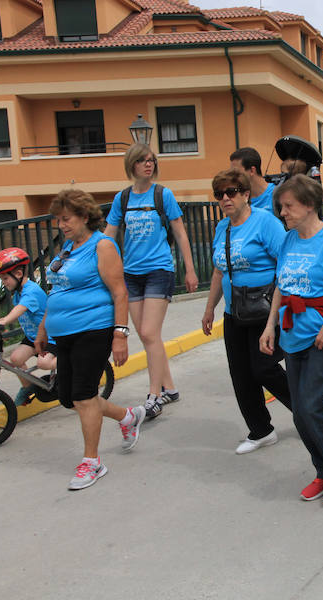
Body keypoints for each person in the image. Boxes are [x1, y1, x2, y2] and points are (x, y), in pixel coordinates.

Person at [260, 174, 323, 505]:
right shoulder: (289, 239)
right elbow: (281, 286)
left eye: (287, 206)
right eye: (280, 206)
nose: (282, 212)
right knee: (299, 412)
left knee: (312, 404)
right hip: (291, 336)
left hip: (320, 336)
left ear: (309, 205)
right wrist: (270, 326)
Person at [35, 189, 144, 490]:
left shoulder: (102, 246)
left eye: (66, 219)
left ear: (85, 217)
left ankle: (92, 462)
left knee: (83, 395)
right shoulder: (67, 249)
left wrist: (120, 335)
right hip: (63, 332)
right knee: (68, 397)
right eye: (58, 220)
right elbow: (56, 289)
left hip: (93, 329)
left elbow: (120, 292)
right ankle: (127, 416)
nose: (61, 225)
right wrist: (43, 329)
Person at [104, 144, 198, 420]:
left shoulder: (163, 195)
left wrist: (190, 270)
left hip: (159, 269)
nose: (148, 164)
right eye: (143, 160)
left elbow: (180, 234)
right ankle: (169, 388)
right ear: (131, 165)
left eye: (152, 160)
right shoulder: (122, 199)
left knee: (147, 332)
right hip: (131, 274)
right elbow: (108, 237)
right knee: (149, 336)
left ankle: (154, 395)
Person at [201, 169, 291, 455]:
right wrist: (209, 309)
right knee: (240, 373)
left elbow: (286, 263)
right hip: (234, 312)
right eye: (220, 194)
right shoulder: (222, 228)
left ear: (245, 194)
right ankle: (261, 430)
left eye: (231, 192)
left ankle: (307, 406)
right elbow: (218, 270)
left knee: (263, 368)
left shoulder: (265, 223)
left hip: (265, 309)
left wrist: (282, 309)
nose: (225, 198)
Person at [0, 247, 57, 405]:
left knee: (43, 363)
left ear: (18, 274)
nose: (4, 283)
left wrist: (4, 320)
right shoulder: (18, 292)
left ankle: (76, 362)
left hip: (51, 336)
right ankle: (28, 388)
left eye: (5, 278)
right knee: (16, 359)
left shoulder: (31, 291)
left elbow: (20, 309)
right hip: (34, 337)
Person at [230, 147, 277, 216]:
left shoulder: (278, 194)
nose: (233, 178)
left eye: (236, 173)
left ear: (252, 170)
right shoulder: (239, 199)